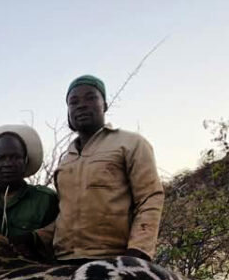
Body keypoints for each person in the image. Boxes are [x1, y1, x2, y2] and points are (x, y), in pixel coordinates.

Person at [35, 75, 164, 263]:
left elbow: (150, 197)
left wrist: (139, 250)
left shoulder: (131, 143)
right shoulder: (66, 159)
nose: (81, 105)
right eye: (73, 102)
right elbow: (66, 214)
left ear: (104, 104)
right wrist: (36, 238)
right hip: (63, 259)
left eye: (90, 97)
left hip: (113, 258)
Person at [0, 124, 58, 250]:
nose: (8, 164)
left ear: (25, 161)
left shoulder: (46, 199)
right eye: (1, 158)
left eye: (15, 157)